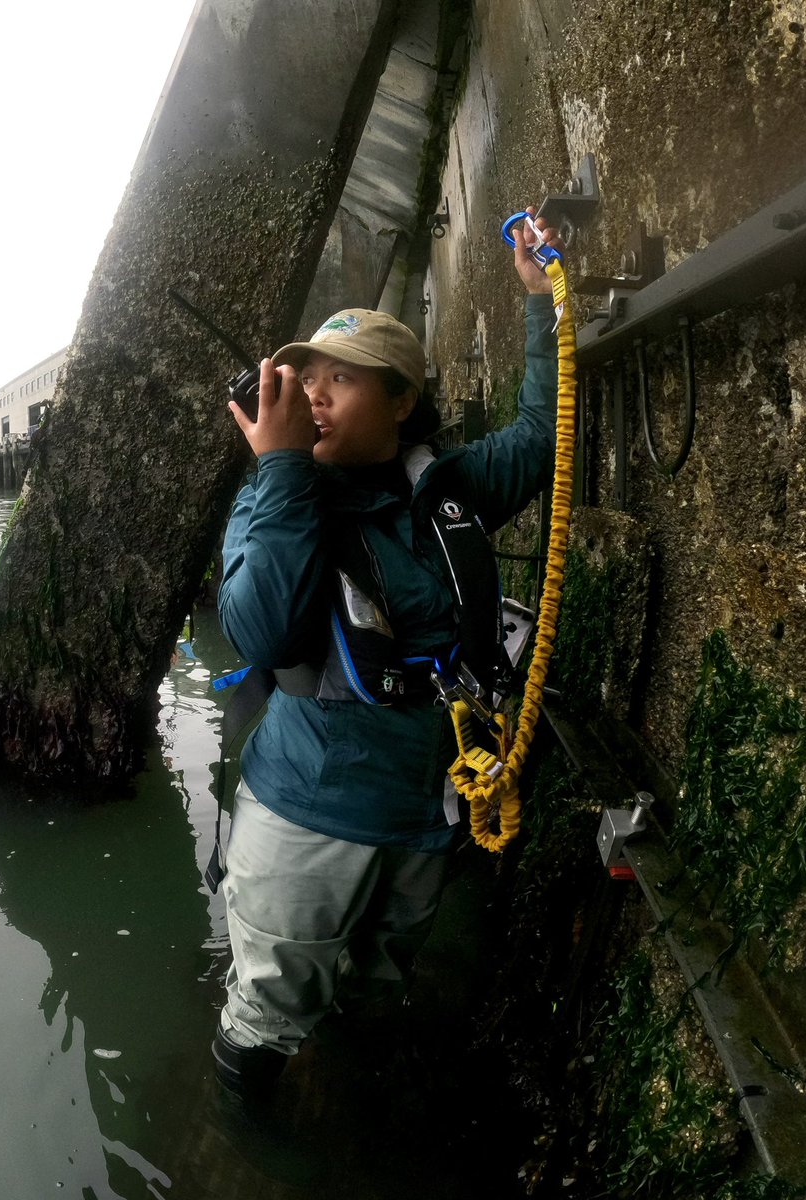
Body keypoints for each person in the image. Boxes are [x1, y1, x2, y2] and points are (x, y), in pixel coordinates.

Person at [212, 214, 565, 1100]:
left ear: (402, 399)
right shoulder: (274, 499)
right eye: (304, 382)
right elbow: (262, 633)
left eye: (342, 379)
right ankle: (237, 1140)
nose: (314, 395)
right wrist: (284, 467)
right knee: (267, 1010)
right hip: (310, 810)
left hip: (427, 809)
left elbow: (541, 434)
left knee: (372, 991)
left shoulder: (444, 488)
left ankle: (338, 1107)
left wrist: (537, 299)